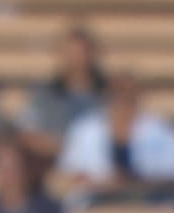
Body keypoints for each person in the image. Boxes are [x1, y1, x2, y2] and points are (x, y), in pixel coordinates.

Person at [57, 71, 174, 206]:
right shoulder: (84, 129)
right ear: (106, 95)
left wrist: (135, 182)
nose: (123, 97)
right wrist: (102, 181)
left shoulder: (161, 129)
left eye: (129, 92)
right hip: (94, 203)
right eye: (117, 92)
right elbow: (68, 173)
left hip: (148, 203)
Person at [17, 25, 107, 163]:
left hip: (99, 170)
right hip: (52, 166)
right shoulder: (43, 94)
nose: (76, 59)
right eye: (70, 53)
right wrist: (68, 148)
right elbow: (27, 134)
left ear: (92, 54)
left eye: (80, 53)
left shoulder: (109, 96)